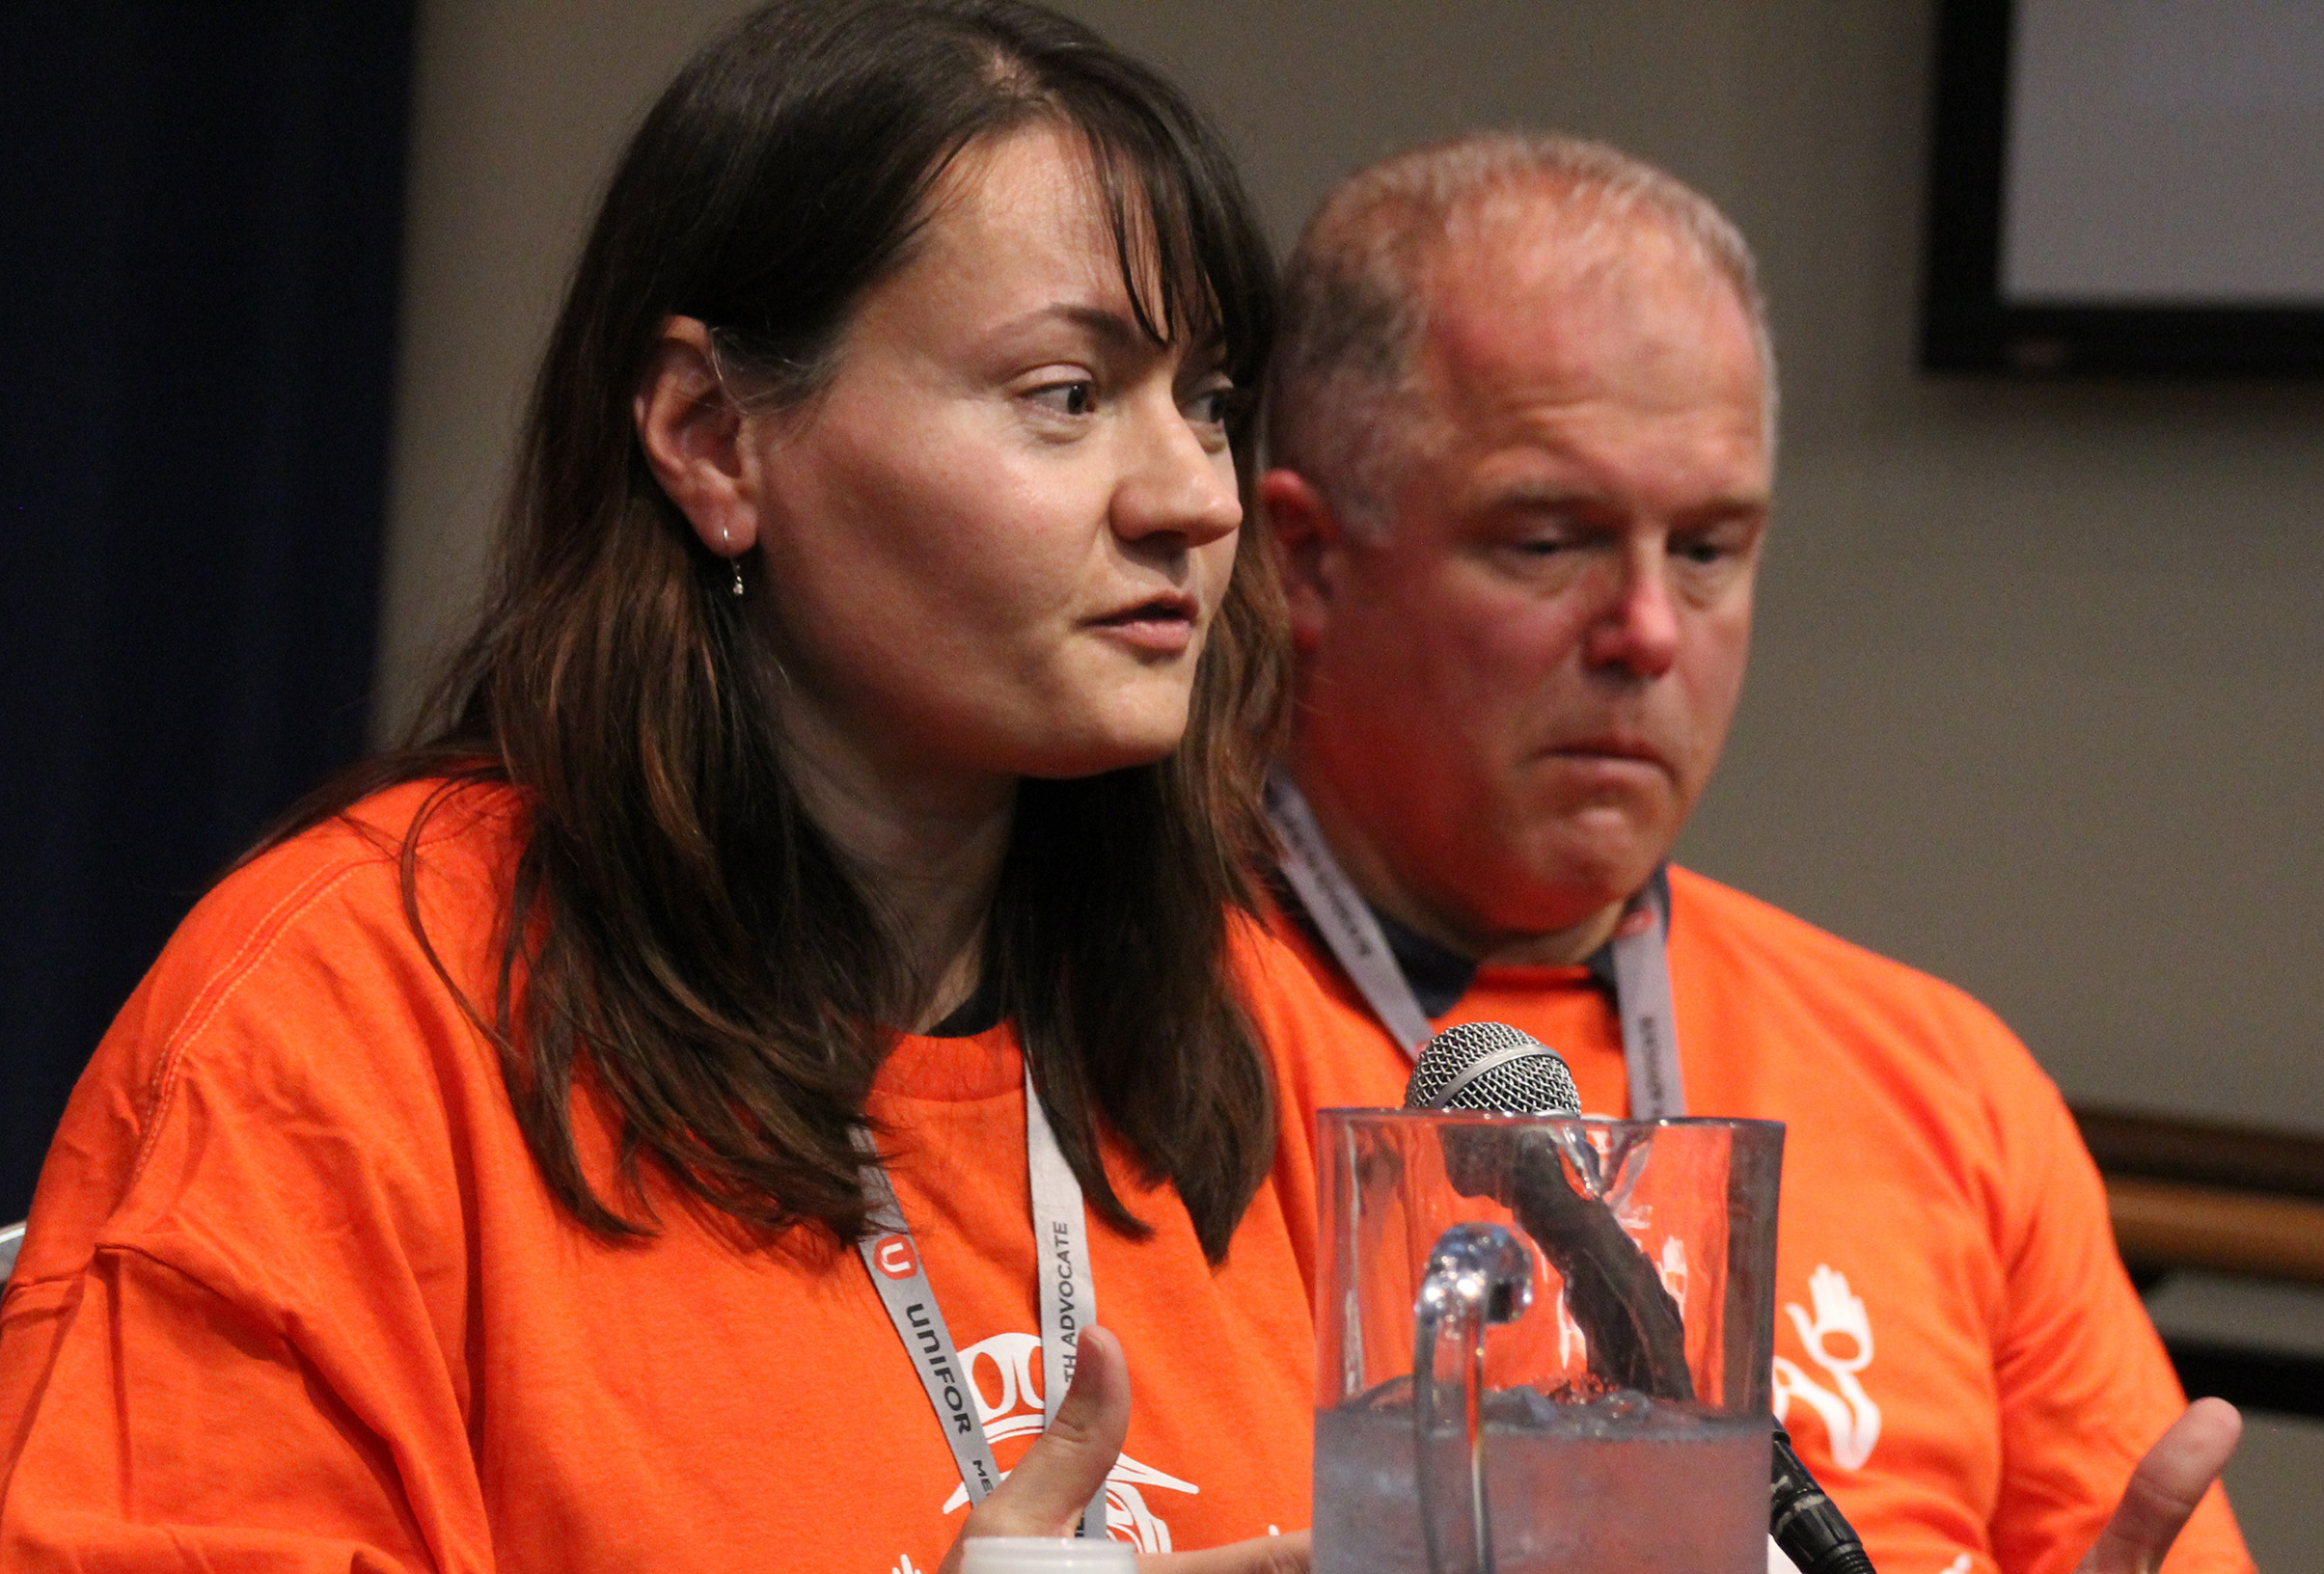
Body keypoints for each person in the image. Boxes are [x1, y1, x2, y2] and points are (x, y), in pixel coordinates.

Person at [0, 5, 1330, 1569]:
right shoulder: (343, 1023)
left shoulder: (1247, 1018)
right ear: (711, 439)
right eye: (1064, 394)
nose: (1189, 497)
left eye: (1210, 404)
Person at [1254, 133, 2253, 1574]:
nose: (1647, 632)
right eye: (1547, 539)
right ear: (1308, 564)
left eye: (1709, 548)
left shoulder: (1940, 1076)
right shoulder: (1131, 1032)